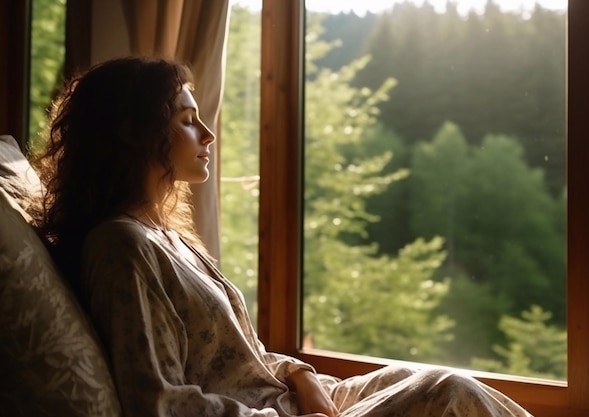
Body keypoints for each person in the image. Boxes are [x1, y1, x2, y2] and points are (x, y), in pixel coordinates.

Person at [35, 56, 533, 417]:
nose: (208, 134)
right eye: (188, 121)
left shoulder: (168, 236)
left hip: (284, 396)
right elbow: (160, 402)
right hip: (269, 416)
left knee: (421, 375)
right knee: (446, 392)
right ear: (136, 134)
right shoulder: (123, 248)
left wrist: (302, 376)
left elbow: (239, 355)